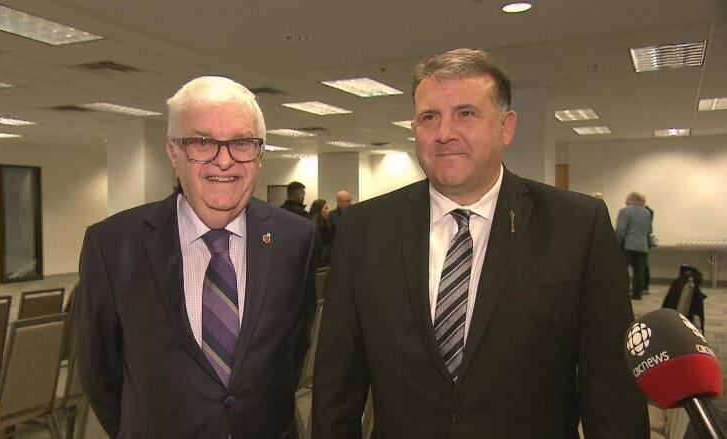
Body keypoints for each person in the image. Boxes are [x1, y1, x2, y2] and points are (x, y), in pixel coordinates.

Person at [312, 48, 649, 438]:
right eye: (429, 117)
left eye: (465, 113)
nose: (444, 133)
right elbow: (337, 385)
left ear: (506, 127)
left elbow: (611, 391)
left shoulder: (578, 226)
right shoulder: (364, 229)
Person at [77, 76, 318, 438]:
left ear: (260, 154)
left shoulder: (296, 240)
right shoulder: (112, 245)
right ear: (173, 153)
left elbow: (293, 354)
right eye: (203, 142)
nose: (224, 160)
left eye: (241, 142)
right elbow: (100, 373)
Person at [616, 191, 653, 300]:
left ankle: (621, 291)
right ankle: (637, 293)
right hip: (642, 245)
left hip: (628, 244)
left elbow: (620, 230)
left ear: (630, 199)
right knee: (639, 271)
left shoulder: (624, 211)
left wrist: (617, 243)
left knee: (622, 269)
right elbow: (649, 230)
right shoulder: (647, 213)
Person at [309, 199, 334, 266]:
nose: (328, 211)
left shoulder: (327, 224)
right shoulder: (312, 226)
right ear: (318, 210)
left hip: (326, 261)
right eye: (325, 208)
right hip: (317, 263)